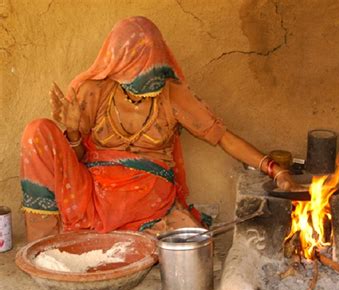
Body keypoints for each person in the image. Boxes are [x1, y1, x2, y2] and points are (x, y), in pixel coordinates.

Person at [20, 16, 297, 243]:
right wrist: (72, 133)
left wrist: (276, 169)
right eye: (141, 74)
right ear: (119, 65)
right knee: (37, 131)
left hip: (145, 193)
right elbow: (77, 157)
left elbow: (224, 138)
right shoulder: (94, 91)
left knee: (191, 242)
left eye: (155, 74)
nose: (151, 84)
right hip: (93, 190)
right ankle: (43, 245)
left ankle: (100, 235)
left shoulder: (173, 95)